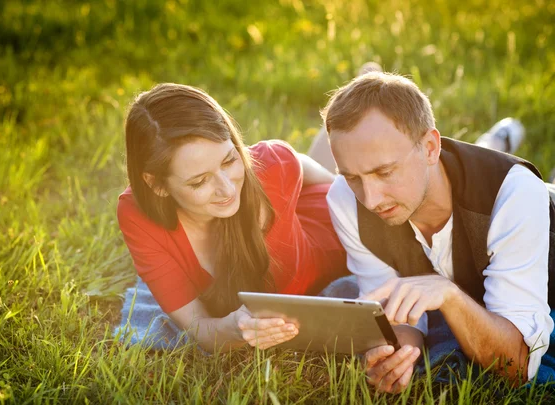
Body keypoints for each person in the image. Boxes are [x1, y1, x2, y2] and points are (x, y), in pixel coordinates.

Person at [321, 71, 554, 392]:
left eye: (385, 171)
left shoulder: (512, 193)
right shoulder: (346, 201)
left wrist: (448, 294)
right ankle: (497, 138)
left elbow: (516, 366)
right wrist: (399, 353)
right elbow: (398, 315)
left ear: (430, 146)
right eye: (352, 177)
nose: (370, 199)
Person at [117, 83, 348, 352]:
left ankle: (357, 95)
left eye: (229, 161)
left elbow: (293, 162)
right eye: (199, 181)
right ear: (157, 185)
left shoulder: (269, 166)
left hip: (329, 230)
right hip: (294, 212)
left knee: (346, 163)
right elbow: (200, 328)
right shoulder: (138, 215)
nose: (227, 190)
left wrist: (343, 186)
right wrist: (234, 328)